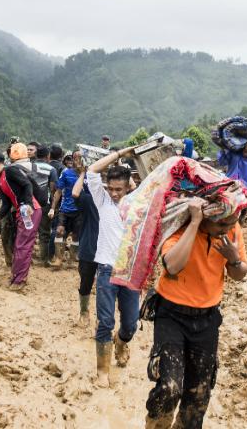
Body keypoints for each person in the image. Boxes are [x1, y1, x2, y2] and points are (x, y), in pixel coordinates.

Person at [145, 198, 247, 429]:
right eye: (221, 225)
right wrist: (194, 224)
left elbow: (239, 274)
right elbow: (172, 266)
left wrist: (234, 259)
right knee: (169, 388)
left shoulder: (231, 228)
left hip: (207, 318)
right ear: (205, 217)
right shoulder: (180, 226)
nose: (227, 229)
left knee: (199, 394)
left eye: (231, 223)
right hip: (171, 315)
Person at [87, 146, 138, 388]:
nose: (114, 193)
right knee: (105, 321)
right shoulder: (103, 201)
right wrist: (120, 154)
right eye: (111, 188)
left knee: (131, 324)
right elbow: (92, 170)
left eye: (119, 189)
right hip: (107, 269)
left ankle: (121, 341)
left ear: (128, 187)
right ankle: (102, 372)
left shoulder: (136, 204)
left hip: (130, 271)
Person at [0, 146, 42, 290]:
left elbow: (27, 184)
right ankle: (16, 276)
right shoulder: (0, 181)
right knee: (18, 245)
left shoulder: (10, 171)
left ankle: (19, 280)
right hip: (21, 212)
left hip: (31, 211)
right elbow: (7, 203)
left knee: (23, 246)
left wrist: (28, 204)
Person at [70, 152, 99, 327]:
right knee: (86, 281)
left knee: (106, 286)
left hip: (108, 250)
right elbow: (75, 193)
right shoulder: (90, 200)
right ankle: (84, 311)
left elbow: (131, 187)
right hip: (89, 248)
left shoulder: (116, 202)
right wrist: (83, 173)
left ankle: (101, 317)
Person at [51, 153, 83, 267]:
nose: (77, 161)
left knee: (76, 235)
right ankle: (58, 258)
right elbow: (58, 191)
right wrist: (52, 208)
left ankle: (72, 260)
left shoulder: (88, 175)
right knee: (59, 231)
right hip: (65, 209)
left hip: (80, 211)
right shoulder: (66, 173)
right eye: (75, 158)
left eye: (80, 158)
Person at [28, 146, 58, 265]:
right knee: (44, 233)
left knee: (28, 231)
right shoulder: (51, 169)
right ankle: (44, 259)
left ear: (36, 155)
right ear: (48, 156)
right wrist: (52, 206)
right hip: (44, 204)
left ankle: (27, 257)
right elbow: (52, 189)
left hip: (29, 203)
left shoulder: (29, 166)